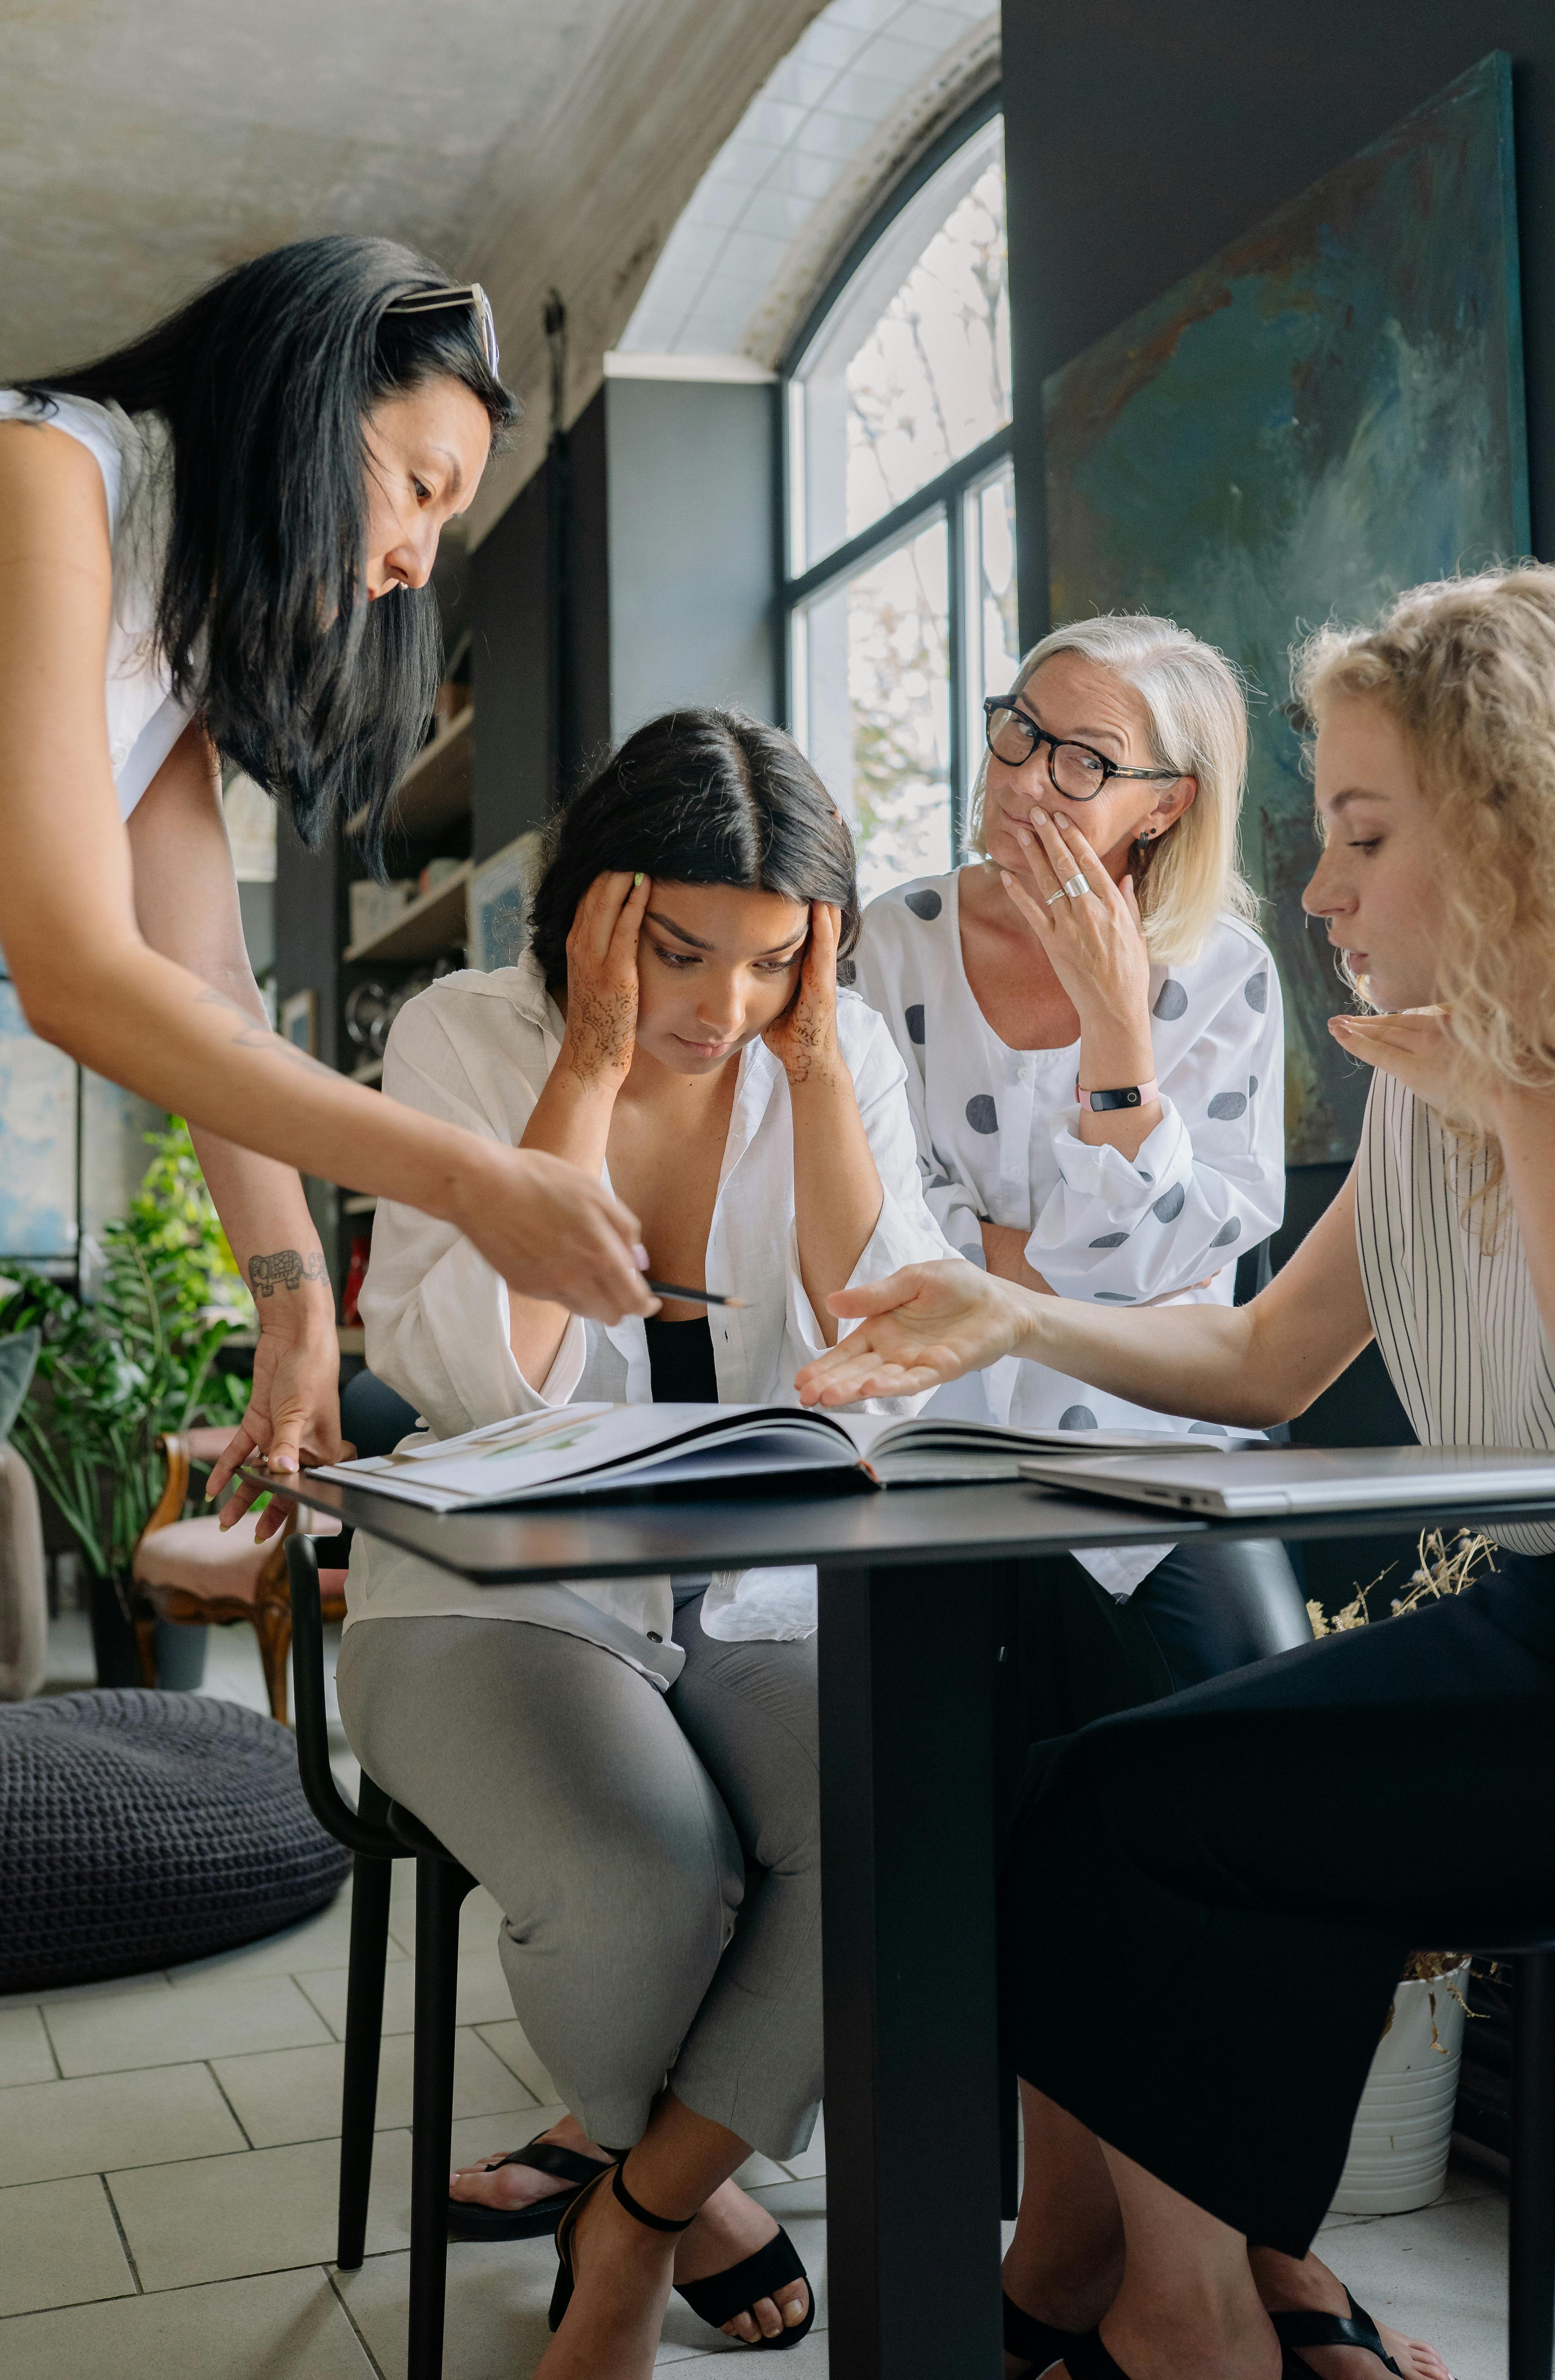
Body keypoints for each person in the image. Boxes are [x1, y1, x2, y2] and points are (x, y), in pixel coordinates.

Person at [792, 564, 1555, 2380]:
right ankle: (1145, 2280)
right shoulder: (1416, 1075)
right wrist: (1005, 1316)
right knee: (1096, 1801)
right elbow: (1252, 1355)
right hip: (1541, 1623)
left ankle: (1151, 2295)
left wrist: (1521, 1085)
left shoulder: (1505, 1066)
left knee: (1142, 1805)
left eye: (1367, 837)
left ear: (1513, 829)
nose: (1317, 889)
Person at [338, 707, 954, 2370]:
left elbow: (885, 1358)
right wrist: (590, 1068)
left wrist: (821, 1074)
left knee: (910, 1833)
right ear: (598, 903)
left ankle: (635, 2206)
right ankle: (692, 2190)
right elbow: (467, 1375)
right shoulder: (468, 1035)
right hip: (489, 1596)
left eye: (769, 962)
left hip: (754, 1594)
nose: (723, 1007)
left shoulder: (828, 1056)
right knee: (642, 1878)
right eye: (680, 952)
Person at [0, 235, 651, 1540]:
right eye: (420, 486)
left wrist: (296, 1305)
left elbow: (210, 986)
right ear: (307, 396)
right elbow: (75, 969)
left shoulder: (164, 636)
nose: (418, 561)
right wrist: (473, 1181)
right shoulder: (41, 474)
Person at [857, 614, 1310, 1721]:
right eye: (1020, 731)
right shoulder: (893, 942)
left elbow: (1189, 1259)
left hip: (1149, 1436)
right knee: (933, 1783)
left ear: (1165, 804)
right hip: (929, 1435)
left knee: (1268, 1718)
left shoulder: (1222, 975)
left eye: (1085, 761)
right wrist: (1082, 1269)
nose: (1025, 780)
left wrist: (1117, 1027)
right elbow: (892, 1239)